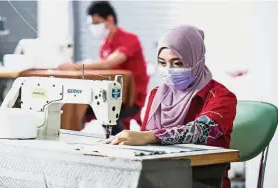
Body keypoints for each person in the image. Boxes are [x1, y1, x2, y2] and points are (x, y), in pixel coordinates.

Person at [105, 24, 237, 188]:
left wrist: (150, 136)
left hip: (202, 180)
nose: (169, 70)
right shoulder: (157, 95)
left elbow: (201, 131)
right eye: (162, 63)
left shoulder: (221, 96)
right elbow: (143, 144)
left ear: (196, 60)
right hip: (159, 178)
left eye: (178, 63)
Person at [57, 1, 149, 135]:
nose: (93, 28)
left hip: (131, 97)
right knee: (79, 108)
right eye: (91, 25)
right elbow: (101, 66)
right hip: (111, 95)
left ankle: (123, 142)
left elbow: (108, 64)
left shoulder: (130, 39)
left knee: (107, 116)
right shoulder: (105, 45)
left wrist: (75, 66)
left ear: (109, 19)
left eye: (96, 23)